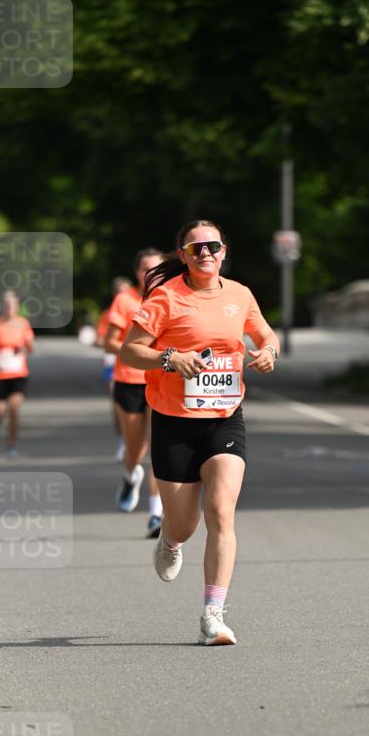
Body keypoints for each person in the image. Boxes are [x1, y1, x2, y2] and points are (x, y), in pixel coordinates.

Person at [120, 220, 279, 646]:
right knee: (185, 524)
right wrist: (171, 358)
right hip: (174, 421)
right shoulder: (166, 298)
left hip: (225, 417)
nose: (206, 253)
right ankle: (170, 542)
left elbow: (265, 335)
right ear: (184, 255)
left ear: (223, 251)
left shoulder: (240, 295)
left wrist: (267, 352)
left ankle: (214, 614)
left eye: (213, 246)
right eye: (197, 247)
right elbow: (130, 350)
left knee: (222, 511)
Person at [104, 250, 164, 536]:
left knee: (157, 449)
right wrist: (138, 353)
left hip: (162, 381)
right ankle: (130, 477)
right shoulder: (125, 300)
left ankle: (155, 514)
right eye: (144, 269)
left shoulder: (171, 299)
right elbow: (109, 343)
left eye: (156, 268)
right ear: (137, 272)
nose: (150, 274)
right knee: (134, 450)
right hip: (129, 381)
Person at [0, 290, 34, 458]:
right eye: (6, 305)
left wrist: (26, 346)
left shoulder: (23, 324)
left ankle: (11, 444)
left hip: (17, 372)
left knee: (14, 409)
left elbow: (30, 347)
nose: (9, 308)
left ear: (17, 307)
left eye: (12, 305)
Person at [95, 276, 131, 462]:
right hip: (114, 364)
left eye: (124, 289)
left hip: (137, 366)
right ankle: (122, 442)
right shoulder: (108, 314)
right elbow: (99, 339)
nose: (121, 293)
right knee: (117, 405)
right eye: (118, 290)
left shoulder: (141, 306)